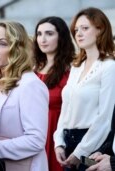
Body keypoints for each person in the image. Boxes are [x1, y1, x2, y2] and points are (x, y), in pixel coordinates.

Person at [0, 21, 49, 171]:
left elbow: (36, 140)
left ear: (17, 48)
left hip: (23, 166)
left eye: (3, 44)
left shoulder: (30, 84)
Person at [54, 7, 115, 171]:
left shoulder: (109, 67)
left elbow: (105, 118)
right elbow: (65, 109)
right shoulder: (76, 66)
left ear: (100, 30)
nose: (78, 33)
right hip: (68, 141)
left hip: (93, 146)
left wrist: (81, 151)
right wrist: (59, 142)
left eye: (85, 28)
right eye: (76, 30)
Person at [33, 16, 75, 171]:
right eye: (39, 34)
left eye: (49, 34)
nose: (42, 39)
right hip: (35, 136)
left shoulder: (72, 71)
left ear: (61, 37)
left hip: (59, 137)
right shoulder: (32, 70)